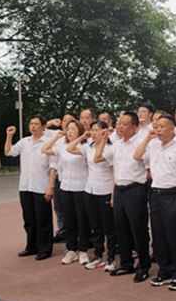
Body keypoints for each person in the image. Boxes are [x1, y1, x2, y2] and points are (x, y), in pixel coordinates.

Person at [134, 114, 176, 291]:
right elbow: (137, 155)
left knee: (175, 235)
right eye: (156, 126)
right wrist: (147, 138)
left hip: (174, 194)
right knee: (158, 235)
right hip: (156, 193)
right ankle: (165, 271)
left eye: (162, 126)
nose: (158, 130)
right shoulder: (153, 145)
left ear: (172, 128)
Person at [94, 111, 151, 283]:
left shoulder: (142, 143)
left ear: (134, 127)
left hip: (136, 189)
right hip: (119, 190)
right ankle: (126, 264)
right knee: (121, 228)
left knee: (138, 229)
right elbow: (97, 158)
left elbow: (148, 169)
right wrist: (104, 138)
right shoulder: (116, 145)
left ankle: (143, 266)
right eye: (118, 123)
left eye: (124, 124)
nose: (119, 126)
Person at [66, 120, 117, 271]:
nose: (93, 133)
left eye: (97, 130)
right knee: (96, 227)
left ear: (104, 132)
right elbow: (70, 148)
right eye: (92, 130)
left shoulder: (110, 149)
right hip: (90, 191)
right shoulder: (89, 147)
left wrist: (113, 195)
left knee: (109, 228)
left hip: (105, 190)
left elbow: (112, 172)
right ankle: (98, 256)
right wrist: (82, 136)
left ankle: (111, 258)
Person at [5, 115, 56, 261]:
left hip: (41, 186)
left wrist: (51, 187)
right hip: (25, 186)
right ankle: (31, 246)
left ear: (44, 127)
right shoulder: (24, 142)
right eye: (31, 123)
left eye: (36, 124)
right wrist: (9, 136)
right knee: (29, 219)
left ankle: (44, 249)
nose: (33, 126)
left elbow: (54, 166)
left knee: (42, 220)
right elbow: (8, 152)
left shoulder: (49, 142)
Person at [42, 119, 90, 265]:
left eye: (73, 129)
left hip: (81, 187)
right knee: (69, 220)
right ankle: (71, 250)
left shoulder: (85, 146)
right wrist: (56, 137)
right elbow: (45, 149)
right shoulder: (61, 147)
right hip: (65, 187)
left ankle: (83, 250)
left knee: (82, 220)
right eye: (68, 129)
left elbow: (72, 149)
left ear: (80, 131)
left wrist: (81, 138)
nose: (70, 132)